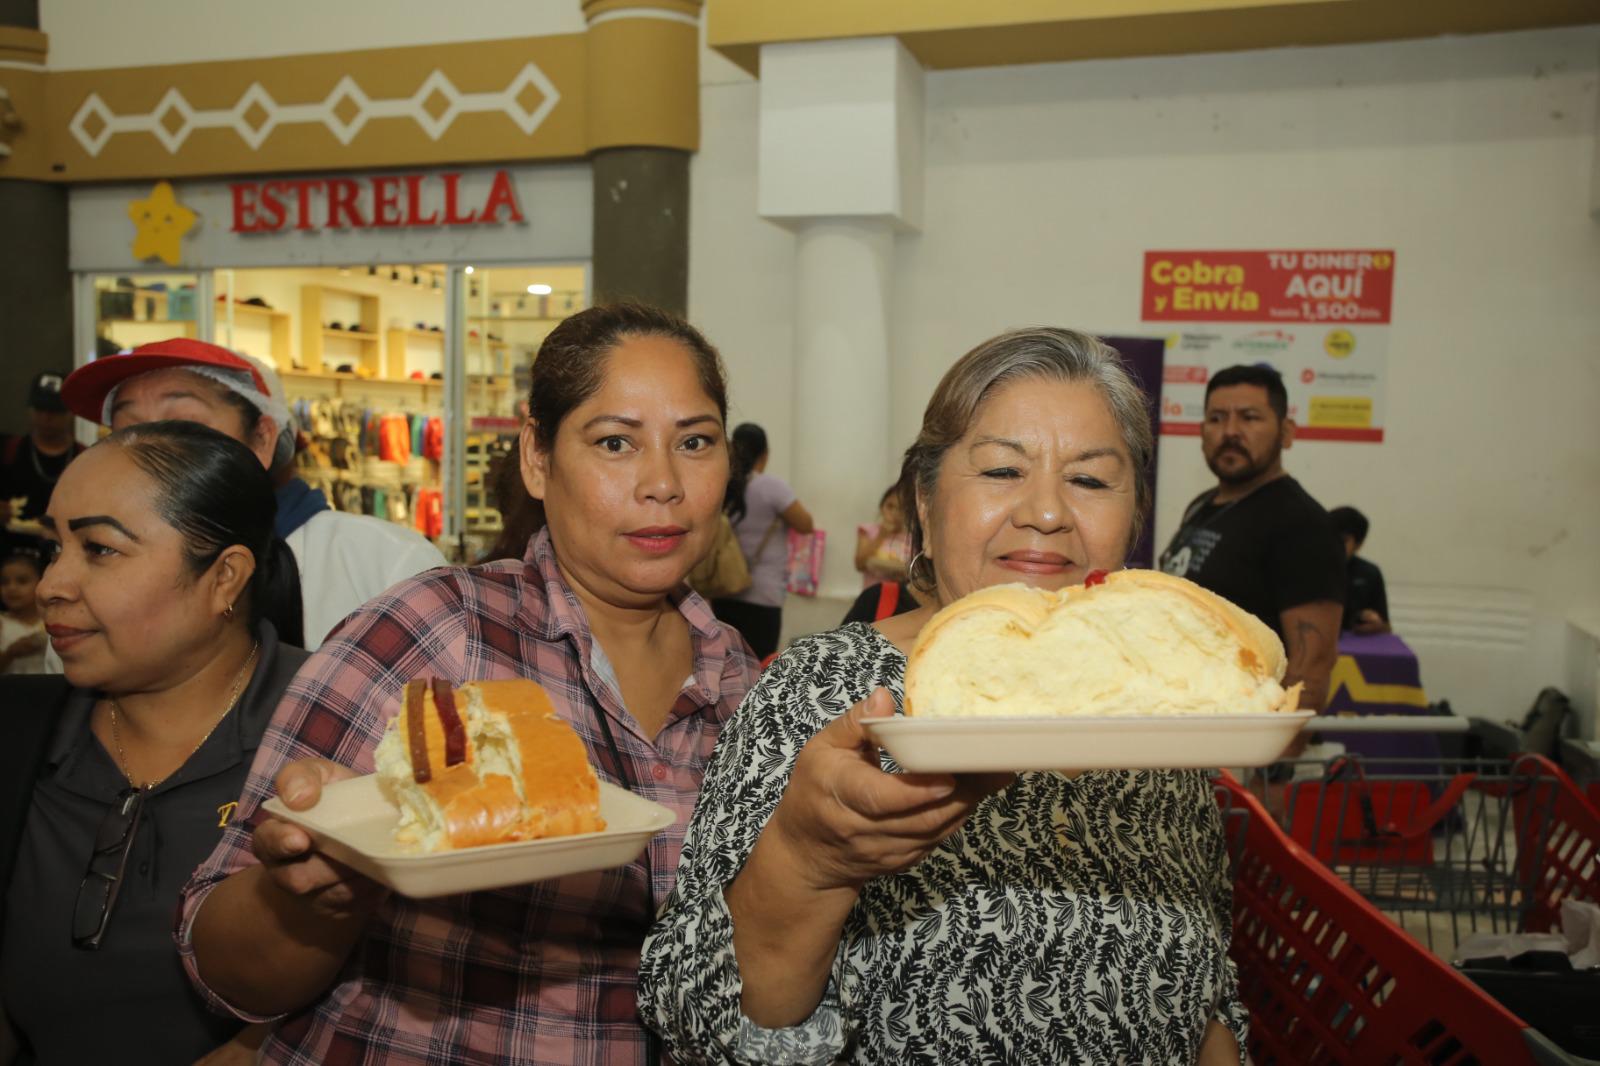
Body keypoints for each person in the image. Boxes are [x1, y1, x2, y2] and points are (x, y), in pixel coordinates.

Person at [641, 328, 1246, 1064]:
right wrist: (805, 861)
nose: (1047, 512)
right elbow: (696, 1021)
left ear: (1135, 516)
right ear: (923, 502)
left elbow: (1207, 991)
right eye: (1001, 470)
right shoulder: (820, 693)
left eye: (1090, 480)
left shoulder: (1159, 704)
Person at [176, 304, 759, 1063]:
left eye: (695, 442)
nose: (663, 483)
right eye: (615, 442)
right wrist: (305, 901)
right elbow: (222, 966)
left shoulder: (742, 678)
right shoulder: (432, 631)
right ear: (538, 459)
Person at [0, 420, 307, 1065]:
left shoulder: (338, 734)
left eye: (100, 549)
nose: (54, 582)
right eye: (53, 545)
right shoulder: (22, 737)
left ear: (225, 578)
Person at [60, 339, 447, 651]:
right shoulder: (86, 575)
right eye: (127, 431)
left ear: (262, 437)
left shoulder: (385, 563)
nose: (149, 453)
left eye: (184, 426)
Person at [1158, 364, 1344, 714]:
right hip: (1186, 720)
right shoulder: (1201, 505)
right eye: (1216, 418)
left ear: (1286, 432)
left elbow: (1312, 669)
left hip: (1243, 741)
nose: (1230, 432)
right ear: (1201, 432)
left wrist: (1271, 759)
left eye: (1249, 417)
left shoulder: (1302, 524)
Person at [711, 422, 813, 658]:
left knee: (726, 665)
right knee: (760, 667)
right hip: (763, 595)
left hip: (723, 589)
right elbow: (806, 525)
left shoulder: (723, 484)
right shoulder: (771, 487)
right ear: (764, 455)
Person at [0, 371, 85, 549]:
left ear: (70, 412)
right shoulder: (7, 449)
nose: (47, 418)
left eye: (55, 411)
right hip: (10, 557)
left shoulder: (85, 458)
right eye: (40, 409)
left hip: (64, 552)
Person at [1329, 505, 1390, 634]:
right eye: (1331, 537)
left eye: (1343, 540)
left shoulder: (1370, 573)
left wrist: (1376, 624)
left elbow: (1386, 627)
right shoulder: (1309, 571)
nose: (1335, 545)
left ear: (1359, 544)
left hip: (1360, 643)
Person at [0, 549, 51, 675]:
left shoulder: (51, 619)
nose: (12, 588)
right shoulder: (2, 623)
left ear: (41, 583)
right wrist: (10, 653)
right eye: (4, 582)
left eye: (22, 581)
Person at [854, 485, 912, 587]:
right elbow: (859, 564)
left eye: (900, 509)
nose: (894, 513)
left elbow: (912, 571)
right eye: (890, 506)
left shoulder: (911, 538)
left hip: (900, 596)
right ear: (881, 507)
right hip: (873, 595)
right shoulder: (867, 531)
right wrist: (882, 535)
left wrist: (877, 564)